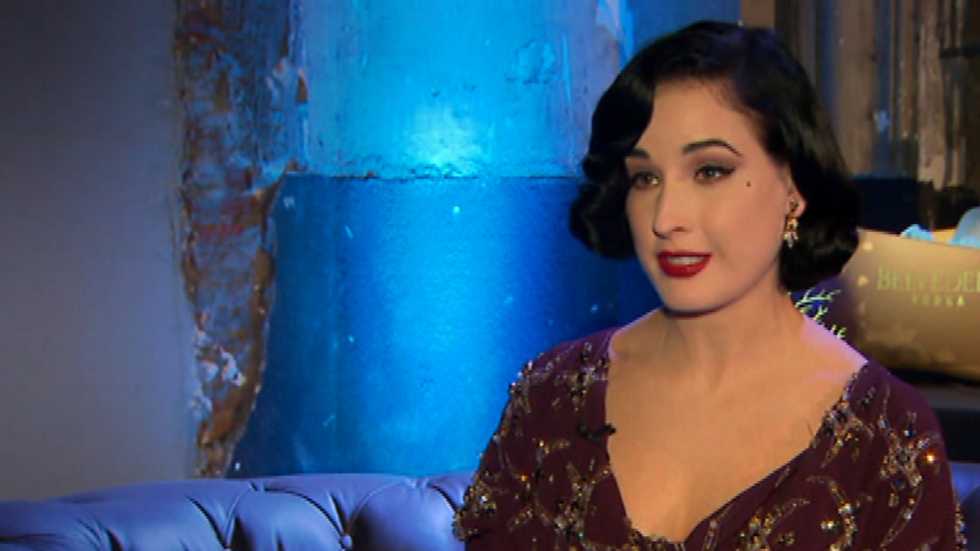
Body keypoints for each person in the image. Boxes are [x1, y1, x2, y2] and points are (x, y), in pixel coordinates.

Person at [453, 20, 966, 550]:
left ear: (793, 187)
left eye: (710, 171)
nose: (665, 218)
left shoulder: (886, 440)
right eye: (645, 178)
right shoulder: (552, 396)